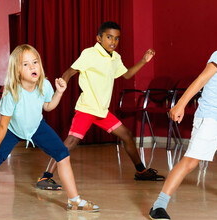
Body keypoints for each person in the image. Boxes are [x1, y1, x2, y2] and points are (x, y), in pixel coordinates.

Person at [0, 44, 99, 216]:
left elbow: (48, 106)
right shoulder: (12, 93)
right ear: (16, 71)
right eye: (25, 64)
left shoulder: (45, 85)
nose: (32, 66)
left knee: (63, 155)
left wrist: (59, 93)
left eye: (35, 62)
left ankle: (74, 200)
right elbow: (2, 126)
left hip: (36, 127)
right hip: (11, 130)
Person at [35, 21, 162, 191]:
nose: (113, 41)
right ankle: (46, 176)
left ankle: (141, 171)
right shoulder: (90, 54)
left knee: (126, 135)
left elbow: (126, 75)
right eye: (109, 37)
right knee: (71, 142)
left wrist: (144, 61)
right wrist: (60, 89)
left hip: (102, 111)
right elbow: (69, 72)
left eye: (116, 38)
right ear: (99, 38)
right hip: (87, 108)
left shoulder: (115, 58)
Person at [149, 16, 217, 220]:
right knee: (190, 162)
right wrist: (180, 104)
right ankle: (159, 206)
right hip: (210, 118)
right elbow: (202, 79)